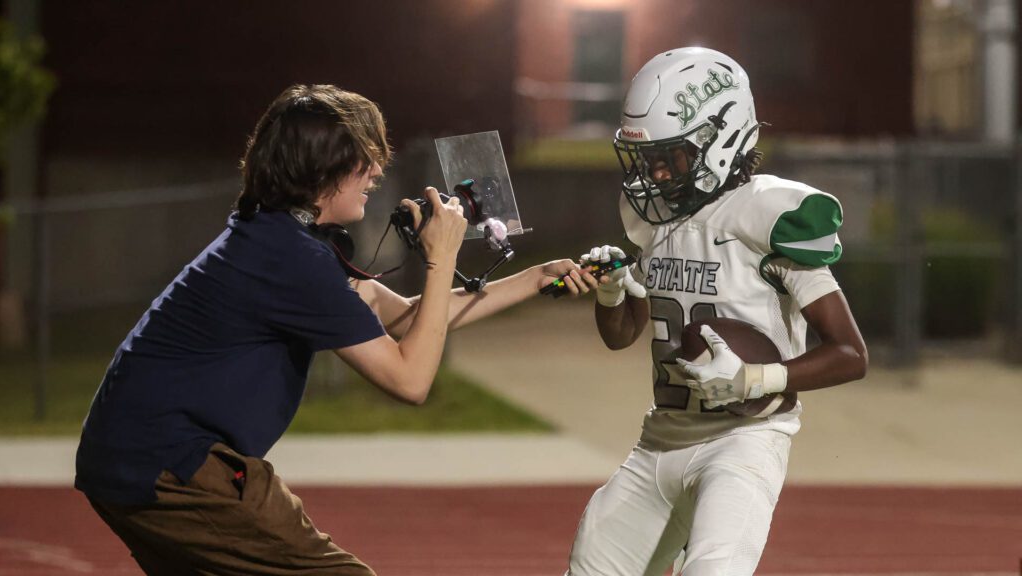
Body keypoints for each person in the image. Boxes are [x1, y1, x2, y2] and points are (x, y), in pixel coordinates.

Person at [75, 84, 590, 576]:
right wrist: (442, 257)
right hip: (172, 465)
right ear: (324, 167)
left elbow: (409, 317)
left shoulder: (281, 237)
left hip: (132, 456)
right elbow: (410, 381)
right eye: (364, 159)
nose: (376, 172)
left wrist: (535, 278)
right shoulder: (294, 260)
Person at [565, 47, 869, 576]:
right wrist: (614, 292)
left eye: (669, 154)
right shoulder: (655, 219)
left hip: (742, 443)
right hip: (659, 441)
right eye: (647, 156)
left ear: (720, 138)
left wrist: (755, 378)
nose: (654, 172)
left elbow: (850, 354)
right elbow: (622, 335)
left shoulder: (765, 217)